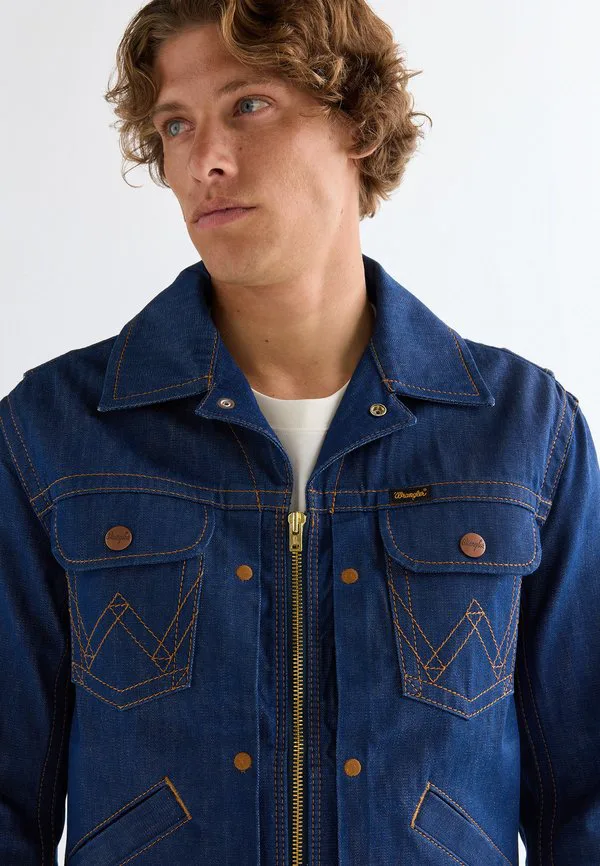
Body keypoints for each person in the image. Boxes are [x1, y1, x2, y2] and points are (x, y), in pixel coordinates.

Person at [1, 1, 598, 864]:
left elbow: (585, 801)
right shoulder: (55, 429)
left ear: (358, 123)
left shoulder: (523, 430)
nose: (204, 159)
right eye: (175, 124)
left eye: (248, 105)